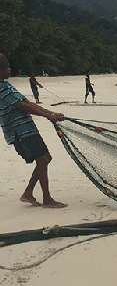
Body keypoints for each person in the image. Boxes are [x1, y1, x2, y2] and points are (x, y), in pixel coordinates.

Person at [0, 53, 66, 208]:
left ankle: (28, 193)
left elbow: (26, 101)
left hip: (27, 128)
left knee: (45, 158)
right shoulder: (1, 88)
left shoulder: (6, 85)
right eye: (7, 67)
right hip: (19, 132)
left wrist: (51, 113)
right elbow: (23, 106)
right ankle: (47, 199)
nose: (10, 69)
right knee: (43, 159)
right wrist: (48, 115)